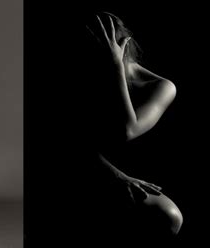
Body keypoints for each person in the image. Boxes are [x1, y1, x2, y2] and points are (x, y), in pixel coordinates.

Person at [76, 12, 183, 246]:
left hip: (143, 171)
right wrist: (115, 176)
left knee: (169, 217)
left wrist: (114, 65)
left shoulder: (162, 87)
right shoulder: (86, 77)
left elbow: (126, 130)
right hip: (94, 167)